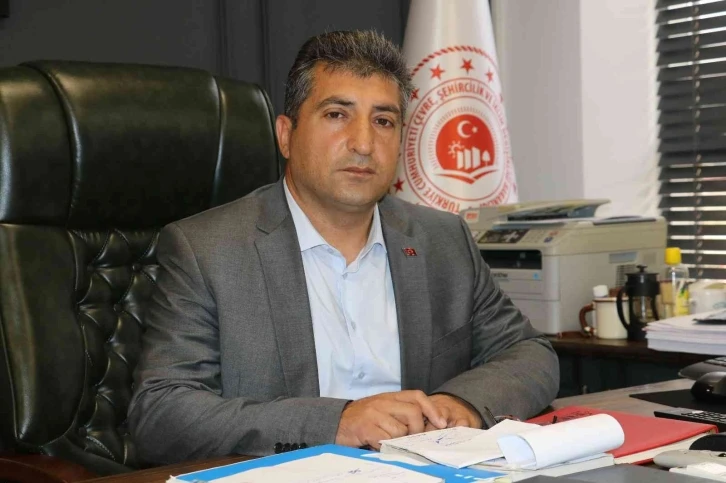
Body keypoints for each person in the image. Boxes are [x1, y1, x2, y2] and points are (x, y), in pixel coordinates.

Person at [128, 29, 559, 465]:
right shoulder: (208, 250)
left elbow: (529, 354)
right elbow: (162, 413)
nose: (363, 144)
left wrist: (460, 403)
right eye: (337, 115)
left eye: (383, 121)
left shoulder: (443, 240)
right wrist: (335, 423)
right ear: (286, 135)